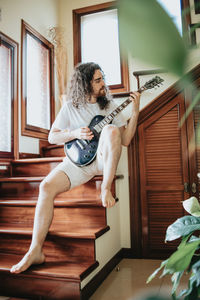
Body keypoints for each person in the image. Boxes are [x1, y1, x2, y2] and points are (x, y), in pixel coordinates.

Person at [10, 62, 140, 274]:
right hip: (76, 162)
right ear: (85, 84)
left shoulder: (109, 106)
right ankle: (35, 250)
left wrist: (135, 112)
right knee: (45, 187)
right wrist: (75, 134)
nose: (103, 84)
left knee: (112, 131)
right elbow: (53, 136)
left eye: (102, 78)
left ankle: (105, 188)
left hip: (101, 162)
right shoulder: (71, 106)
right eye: (98, 80)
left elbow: (125, 140)